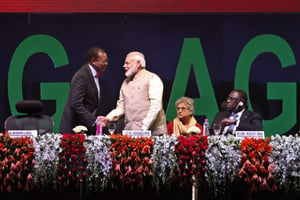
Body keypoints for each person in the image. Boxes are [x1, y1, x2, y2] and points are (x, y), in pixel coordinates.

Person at [104, 51, 167, 136]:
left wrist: (143, 129)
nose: (124, 66)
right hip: (130, 133)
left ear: (138, 63)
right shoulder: (125, 83)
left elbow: (155, 107)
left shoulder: (153, 79)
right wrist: (107, 118)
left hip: (153, 134)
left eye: (127, 63)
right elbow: (121, 107)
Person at [59, 47, 108, 135]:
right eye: (104, 61)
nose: (106, 64)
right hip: (74, 130)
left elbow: (91, 104)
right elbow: (75, 104)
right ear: (93, 61)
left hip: (85, 127)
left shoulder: (93, 75)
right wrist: (94, 120)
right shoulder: (82, 75)